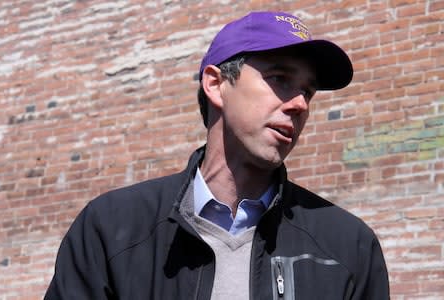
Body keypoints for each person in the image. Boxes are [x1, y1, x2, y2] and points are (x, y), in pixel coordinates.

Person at [44, 11, 389, 300]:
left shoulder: (348, 246)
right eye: (280, 78)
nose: (300, 104)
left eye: (308, 91)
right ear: (215, 84)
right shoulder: (112, 228)